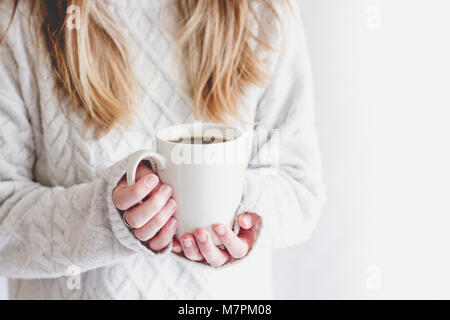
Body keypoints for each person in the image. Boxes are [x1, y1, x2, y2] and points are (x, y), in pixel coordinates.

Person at [0, 0, 324, 299]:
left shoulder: (261, 11)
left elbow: (298, 189)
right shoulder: (18, 18)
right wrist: (105, 216)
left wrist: (235, 209)